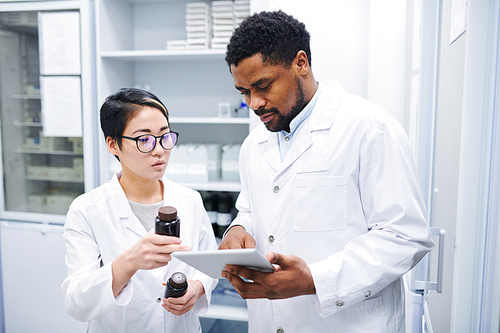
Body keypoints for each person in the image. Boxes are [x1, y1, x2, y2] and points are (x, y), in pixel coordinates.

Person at [219, 10, 435, 333]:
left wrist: (315, 280)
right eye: (244, 92)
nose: (254, 103)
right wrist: (236, 229)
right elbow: (251, 209)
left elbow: (405, 236)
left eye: (263, 86)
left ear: (300, 63)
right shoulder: (254, 146)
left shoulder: (368, 129)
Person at [61, 88, 218, 332]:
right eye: (143, 139)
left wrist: (198, 288)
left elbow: (209, 265)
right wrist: (129, 262)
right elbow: (77, 302)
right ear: (113, 145)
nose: (159, 150)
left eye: (165, 136)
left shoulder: (190, 200)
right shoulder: (87, 210)